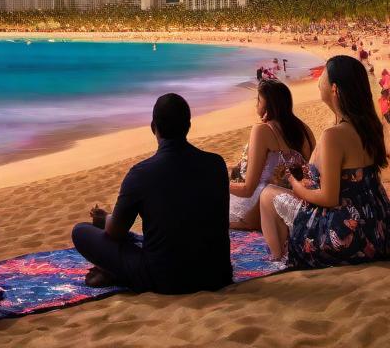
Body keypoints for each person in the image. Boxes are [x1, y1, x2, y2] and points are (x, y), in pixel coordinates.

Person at [71, 93, 232, 294]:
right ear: (188, 126)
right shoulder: (215, 164)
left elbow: (115, 233)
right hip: (218, 274)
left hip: (165, 279)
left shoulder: (141, 173)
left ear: (153, 127)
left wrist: (105, 220)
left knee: (81, 231)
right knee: (138, 238)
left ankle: (115, 272)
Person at [259, 55, 390, 265]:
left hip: (348, 234)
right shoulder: (371, 126)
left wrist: (294, 184)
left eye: (323, 77)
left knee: (267, 195)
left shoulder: (334, 135)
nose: (319, 81)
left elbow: (329, 199)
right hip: (379, 228)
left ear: (334, 88)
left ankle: (280, 260)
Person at [229, 79, 315, 230]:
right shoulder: (305, 130)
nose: (256, 104)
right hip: (295, 203)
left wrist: (217, 185)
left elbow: (248, 189)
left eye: (259, 100)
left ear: (269, 106)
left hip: (260, 209)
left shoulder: (262, 130)